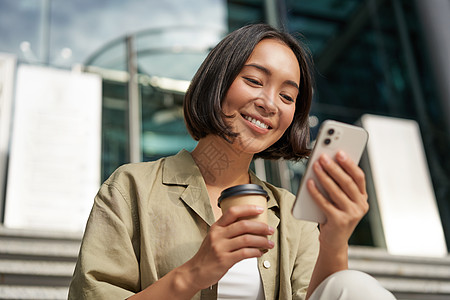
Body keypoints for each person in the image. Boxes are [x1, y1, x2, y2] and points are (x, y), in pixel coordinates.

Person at [68, 24, 396, 300]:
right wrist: (193, 274)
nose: (269, 103)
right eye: (254, 80)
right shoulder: (131, 188)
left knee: (355, 286)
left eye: (287, 96)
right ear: (218, 81)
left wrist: (335, 239)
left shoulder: (294, 215)